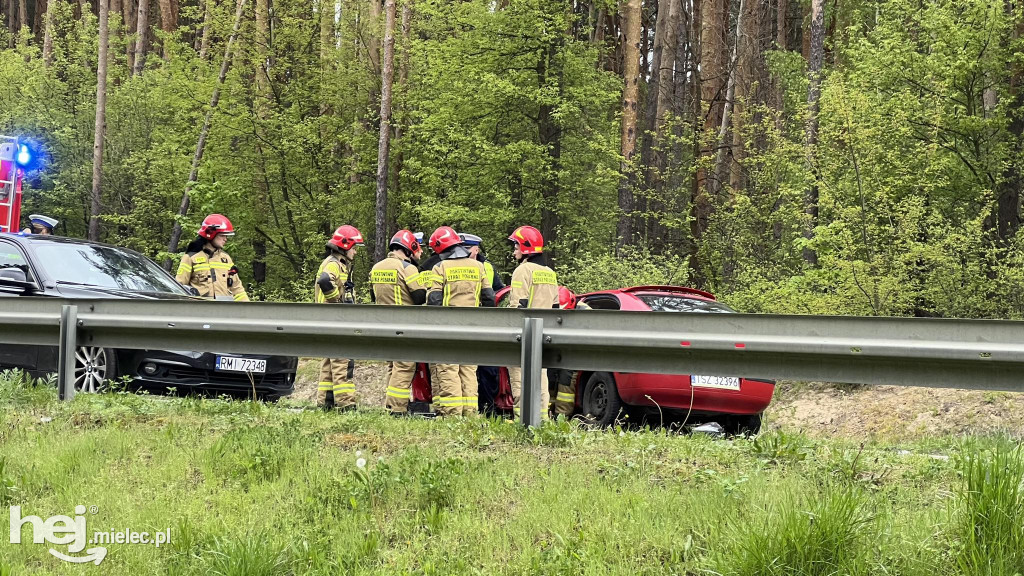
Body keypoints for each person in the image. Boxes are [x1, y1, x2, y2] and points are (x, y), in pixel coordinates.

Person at [426, 226, 495, 416]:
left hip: (448, 328)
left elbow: (434, 300)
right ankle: (470, 413)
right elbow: (489, 299)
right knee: (468, 370)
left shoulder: (440, 267)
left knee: (448, 369)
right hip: (472, 328)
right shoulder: (478, 266)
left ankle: (452, 414)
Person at [369, 229, 430, 415]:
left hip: (383, 325)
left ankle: (389, 404)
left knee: (392, 366)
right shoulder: (407, 268)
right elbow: (419, 297)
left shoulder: (376, 268)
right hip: (403, 325)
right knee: (404, 366)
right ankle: (397, 409)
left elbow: (373, 297)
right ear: (409, 248)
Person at [506, 225, 558, 419]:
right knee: (541, 379)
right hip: (544, 335)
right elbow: (555, 308)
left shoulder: (523, 271)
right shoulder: (549, 273)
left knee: (520, 378)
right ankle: (542, 419)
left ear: (525, 247)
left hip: (523, 334)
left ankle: (523, 420)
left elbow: (518, 305)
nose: (514, 251)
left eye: (516, 246)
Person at [313, 224, 364, 411]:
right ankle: (346, 404)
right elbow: (325, 281)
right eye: (354, 247)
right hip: (334, 320)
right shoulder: (334, 264)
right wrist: (338, 300)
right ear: (344, 245)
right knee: (343, 362)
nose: (356, 252)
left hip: (327, 320)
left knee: (329, 363)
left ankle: (325, 402)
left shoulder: (335, 262)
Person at [458, 232, 506, 416]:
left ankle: (488, 408)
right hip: (464, 322)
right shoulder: (455, 264)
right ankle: (466, 409)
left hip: (485, 323)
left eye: (467, 249)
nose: (463, 252)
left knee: (488, 368)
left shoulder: (487, 267)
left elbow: (500, 292)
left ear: (476, 249)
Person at [176, 214, 250, 301]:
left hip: (224, 311)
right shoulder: (190, 258)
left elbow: (237, 289)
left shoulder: (226, 259)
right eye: (222, 235)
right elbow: (179, 288)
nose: (225, 239)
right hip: (200, 311)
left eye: (226, 236)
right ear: (210, 234)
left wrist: (247, 309)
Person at [550, 286, 590, 416]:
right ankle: (546, 414)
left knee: (566, 381)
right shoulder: (547, 306)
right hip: (552, 349)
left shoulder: (585, 312)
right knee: (548, 377)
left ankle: (561, 416)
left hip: (573, 351)